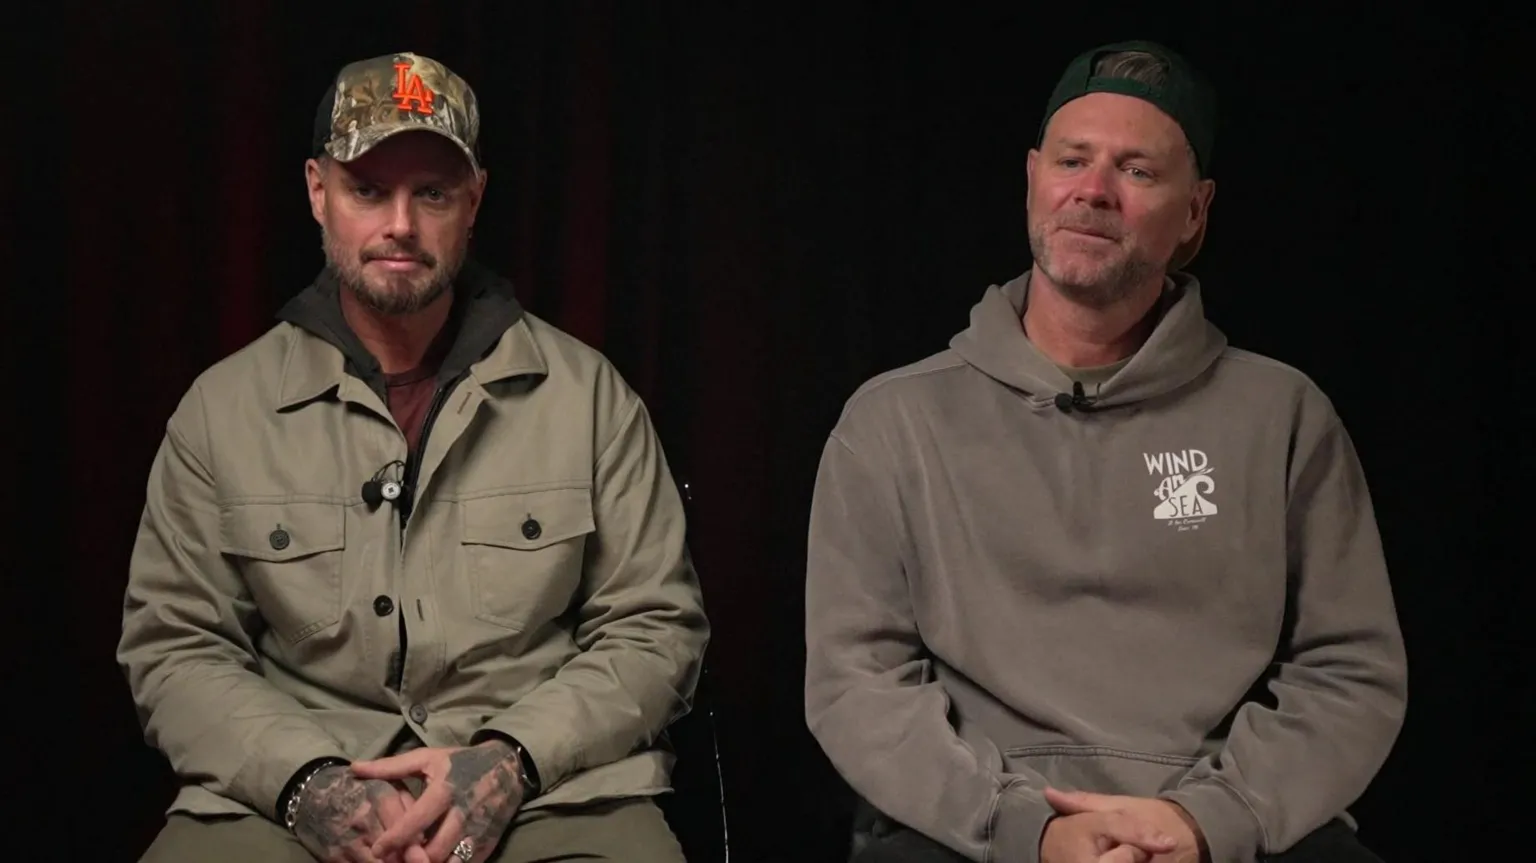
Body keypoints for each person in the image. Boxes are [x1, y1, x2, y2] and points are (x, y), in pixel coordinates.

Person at [804, 40, 1406, 863]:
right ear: (1032, 179)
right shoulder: (892, 420)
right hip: (974, 833)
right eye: (1071, 160)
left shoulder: (1284, 415)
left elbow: (1350, 671)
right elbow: (857, 682)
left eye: (1137, 170)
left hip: (1224, 825)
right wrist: (1033, 832)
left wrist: (1205, 822)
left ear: (1194, 212)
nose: (1093, 190)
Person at [118, 51, 708, 863]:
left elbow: (656, 627)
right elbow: (175, 646)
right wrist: (309, 782)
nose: (401, 223)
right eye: (368, 190)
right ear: (318, 192)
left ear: (474, 201)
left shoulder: (589, 397)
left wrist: (511, 760)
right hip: (285, 796)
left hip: (548, 791)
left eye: (432, 192)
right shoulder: (221, 411)